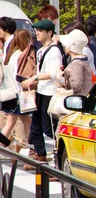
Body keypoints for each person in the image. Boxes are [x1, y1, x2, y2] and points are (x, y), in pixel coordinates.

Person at [22, 19, 63, 168]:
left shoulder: (54, 51)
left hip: (50, 93)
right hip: (40, 91)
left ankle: (60, 155)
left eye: (40, 31)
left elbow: (53, 73)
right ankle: (41, 156)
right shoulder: (41, 50)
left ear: (50, 32)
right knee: (36, 127)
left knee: (49, 128)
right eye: (36, 30)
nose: (37, 33)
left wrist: (34, 78)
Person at [0, 29, 33, 154]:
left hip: (10, 94)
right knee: (19, 121)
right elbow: (19, 75)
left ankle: (24, 148)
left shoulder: (10, 54)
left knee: (16, 121)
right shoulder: (20, 54)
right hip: (18, 93)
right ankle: (25, 148)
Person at [56, 30, 93, 96]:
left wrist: (59, 78)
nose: (64, 46)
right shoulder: (83, 60)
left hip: (77, 101)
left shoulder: (77, 63)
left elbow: (76, 85)